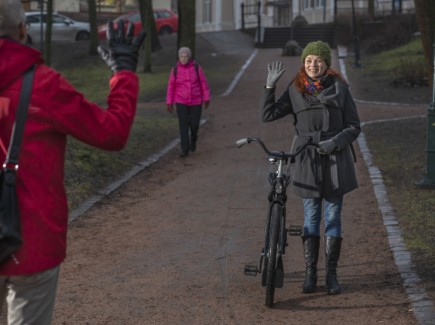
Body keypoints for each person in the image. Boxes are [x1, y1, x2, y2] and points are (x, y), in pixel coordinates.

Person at [0, 0, 146, 323]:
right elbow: (112, 133)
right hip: (31, 243)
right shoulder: (44, 85)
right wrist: (124, 76)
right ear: (23, 30)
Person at [260, 41, 360, 295]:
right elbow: (268, 115)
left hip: (336, 159)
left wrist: (334, 142)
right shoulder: (296, 88)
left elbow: (353, 125)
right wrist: (270, 87)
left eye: (318, 60)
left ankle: (331, 276)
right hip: (307, 157)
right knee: (312, 216)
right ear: (303, 64)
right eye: (308, 60)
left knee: (333, 217)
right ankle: (310, 274)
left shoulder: (340, 87)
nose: (313, 65)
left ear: (327, 64)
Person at [166, 47, 211, 157]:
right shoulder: (175, 69)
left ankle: (193, 138)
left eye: (186, 57)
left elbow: (203, 83)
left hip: (196, 100)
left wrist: (206, 98)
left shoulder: (197, 67)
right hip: (181, 101)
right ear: (179, 57)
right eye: (181, 56)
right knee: (183, 124)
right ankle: (184, 149)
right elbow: (171, 86)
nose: (183, 59)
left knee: (194, 124)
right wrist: (169, 102)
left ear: (189, 57)